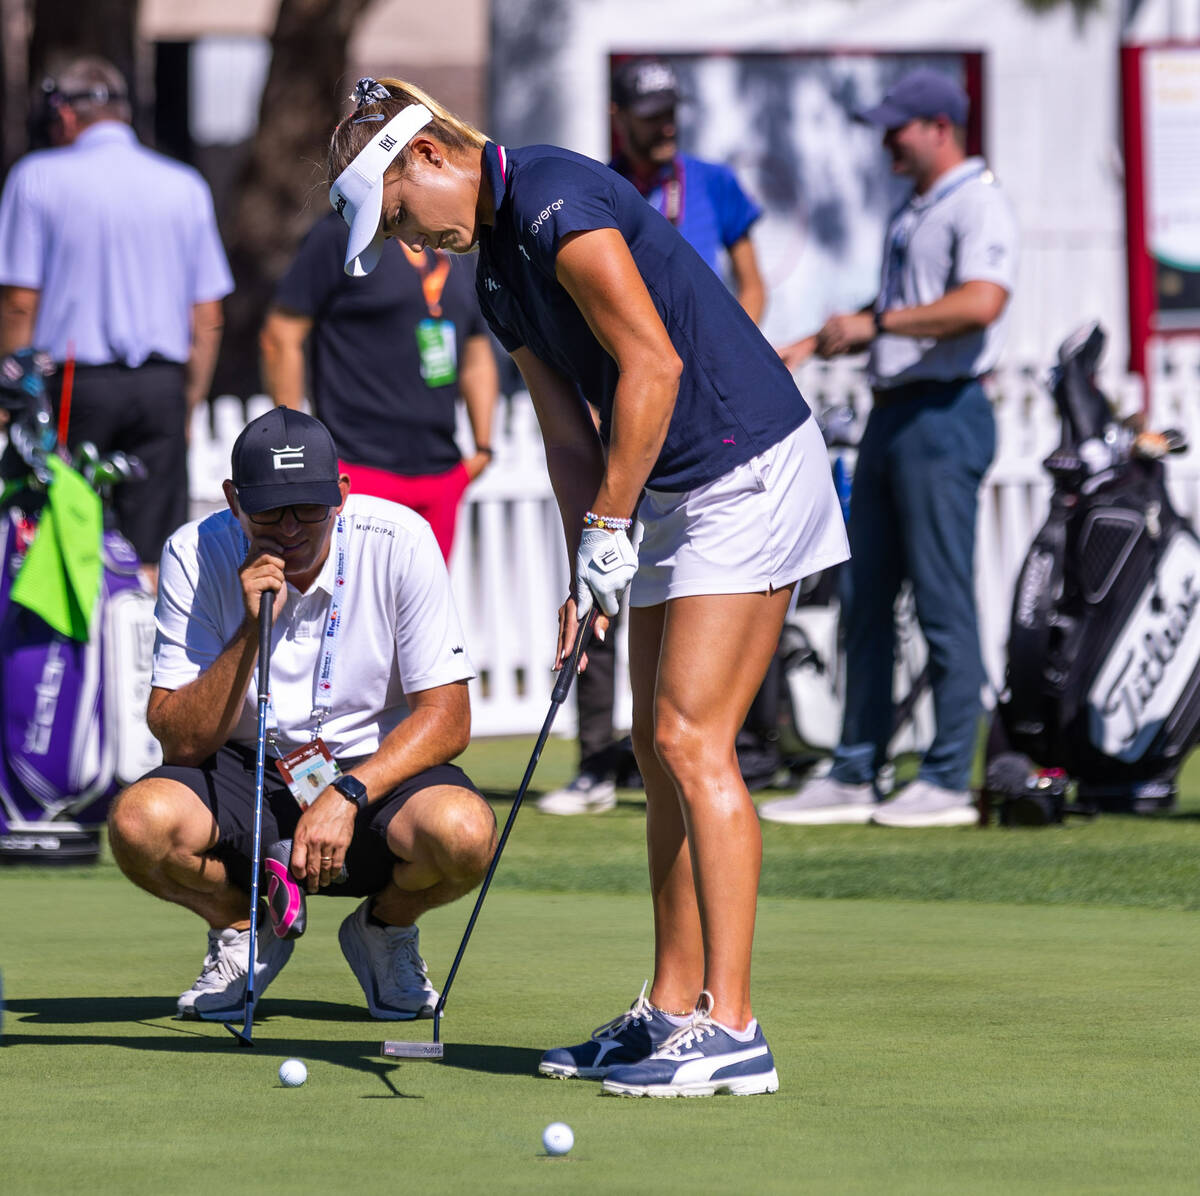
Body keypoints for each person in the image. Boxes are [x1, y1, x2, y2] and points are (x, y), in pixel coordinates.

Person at [325, 76, 847, 1097]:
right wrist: (585, 567)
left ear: (428, 157)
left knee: (696, 740)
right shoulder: (495, 281)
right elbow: (570, 436)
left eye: (398, 218)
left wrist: (613, 526)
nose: (412, 245)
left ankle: (732, 1024)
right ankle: (669, 1004)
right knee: (656, 748)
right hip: (668, 483)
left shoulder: (555, 198)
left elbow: (649, 365)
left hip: (745, 463)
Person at [106, 406, 497, 1022]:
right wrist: (249, 632)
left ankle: (385, 928)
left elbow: (448, 718)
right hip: (242, 766)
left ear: (341, 495)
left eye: (309, 508)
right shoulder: (193, 551)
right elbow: (178, 740)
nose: (290, 528)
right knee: (138, 825)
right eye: (268, 510)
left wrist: (344, 794)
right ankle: (243, 927)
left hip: (373, 770)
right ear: (234, 499)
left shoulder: (400, 539)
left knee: (466, 835)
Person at [762, 68, 1018, 829]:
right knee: (866, 601)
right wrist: (820, 337)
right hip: (894, 415)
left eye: (897, 127)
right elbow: (904, 306)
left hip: (945, 413)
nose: (885, 142)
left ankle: (945, 777)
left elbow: (981, 301)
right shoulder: (920, 207)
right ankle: (854, 769)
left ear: (940, 125)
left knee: (942, 601)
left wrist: (879, 327)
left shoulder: (979, 201)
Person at [537, 56, 771, 817]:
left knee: (713, 595)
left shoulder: (713, 184)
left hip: (702, 413)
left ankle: (751, 745)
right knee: (602, 573)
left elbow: (749, 280)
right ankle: (598, 757)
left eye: (671, 109)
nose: (663, 124)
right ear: (619, 116)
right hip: (630, 414)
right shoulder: (593, 190)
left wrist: (732, 358)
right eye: (648, 112)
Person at [0, 56, 232, 580]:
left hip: (75, 385)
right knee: (156, 555)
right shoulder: (184, 183)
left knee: (63, 539)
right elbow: (208, 315)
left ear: (63, 114)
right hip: (159, 384)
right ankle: (145, 657)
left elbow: (19, 302)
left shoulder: (36, 178)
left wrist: (11, 395)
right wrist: (188, 398)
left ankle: (79, 660)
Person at [260, 211, 499, 561]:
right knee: (354, 609)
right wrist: (300, 450)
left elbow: (476, 350)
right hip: (357, 471)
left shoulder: (453, 242)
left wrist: (482, 450)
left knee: (420, 613)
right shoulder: (341, 235)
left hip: (441, 475)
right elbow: (281, 336)